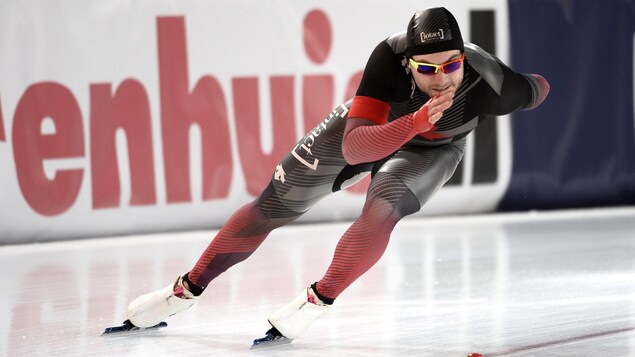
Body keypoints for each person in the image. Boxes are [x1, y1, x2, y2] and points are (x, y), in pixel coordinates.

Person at [124, 7, 549, 345]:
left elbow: (538, 87)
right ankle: (184, 292)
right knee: (273, 203)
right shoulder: (388, 56)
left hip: (433, 150)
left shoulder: (492, 82)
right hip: (375, 129)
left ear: (463, 57)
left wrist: (530, 87)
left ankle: (317, 300)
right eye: (427, 69)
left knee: (381, 209)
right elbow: (354, 147)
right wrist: (412, 122)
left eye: (451, 65)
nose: (441, 80)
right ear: (408, 63)